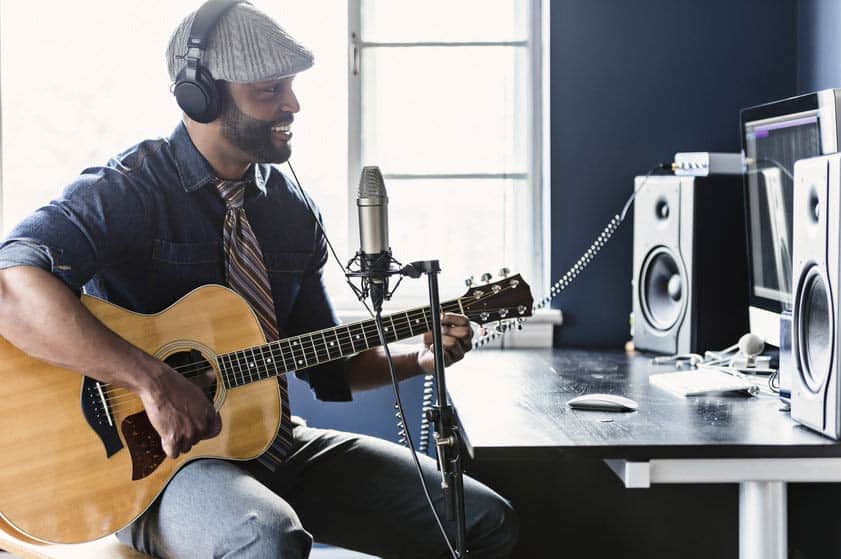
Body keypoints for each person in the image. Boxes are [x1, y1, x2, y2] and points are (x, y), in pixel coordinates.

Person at [0, 2, 518, 558]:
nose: (293, 104)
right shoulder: (130, 188)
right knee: (265, 537)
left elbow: (331, 370)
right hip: (153, 470)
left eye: (290, 87)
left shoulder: (292, 212)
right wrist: (154, 381)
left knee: (485, 519)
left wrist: (417, 359)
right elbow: (11, 287)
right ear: (202, 95)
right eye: (271, 90)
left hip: (274, 446)